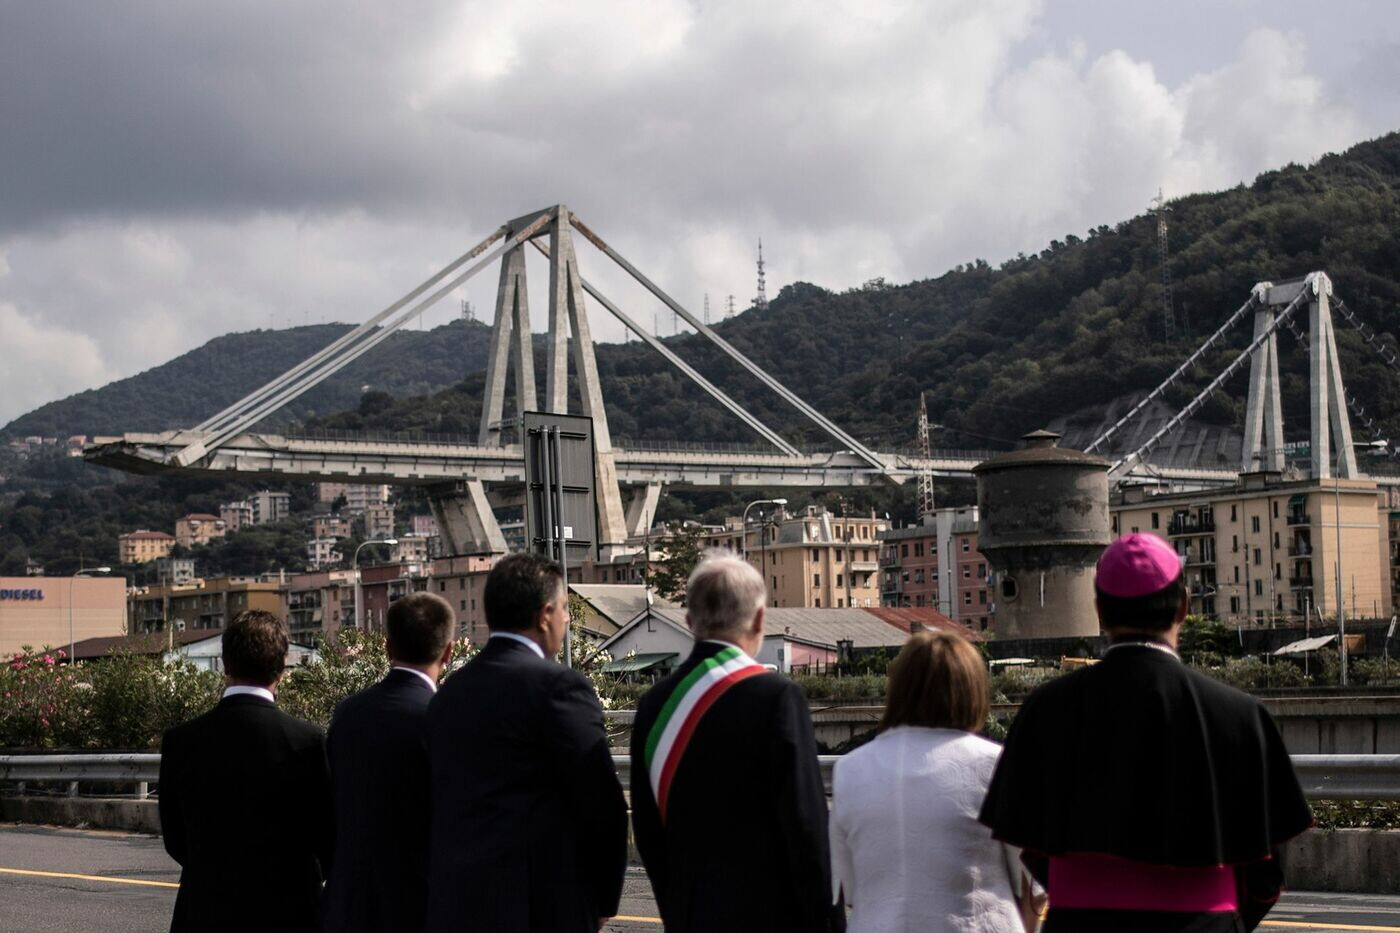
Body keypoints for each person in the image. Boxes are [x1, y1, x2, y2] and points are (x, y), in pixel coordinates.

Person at [980, 533, 1312, 932]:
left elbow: (1029, 844)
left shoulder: (1045, 709)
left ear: (1100, 611)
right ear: (1185, 607)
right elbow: (1268, 866)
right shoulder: (1240, 715)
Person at [630, 551, 844, 933]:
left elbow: (648, 832)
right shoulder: (777, 697)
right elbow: (807, 829)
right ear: (760, 619)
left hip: (690, 917)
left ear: (690, 622)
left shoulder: (654, 704)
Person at [424, 552, 627, 933]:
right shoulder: (559, 688)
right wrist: (601, 899)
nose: (567, 619)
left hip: (457, 905)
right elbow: (602, 803)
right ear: (545, 613)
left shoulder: (447, 696)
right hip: (540, 906)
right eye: (565, 608)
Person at [830, 629, 1035, 932]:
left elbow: (846, 885)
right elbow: (1030, 886)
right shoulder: (995, 765)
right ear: (973, 690)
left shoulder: (849, 769)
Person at [158, 609, 334, 933]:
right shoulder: (307, 742)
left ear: (225, 663)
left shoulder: (181, 741)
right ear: (282, 666)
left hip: (205, 911)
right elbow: (327, 839)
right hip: (291, 911)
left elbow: (175, 839)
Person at [322, 592, 455, 933]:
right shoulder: (447, 719)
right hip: (421, 906)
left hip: (349, 905)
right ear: (449, 652)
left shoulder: (348, 713)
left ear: (387, 648)